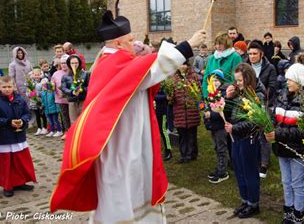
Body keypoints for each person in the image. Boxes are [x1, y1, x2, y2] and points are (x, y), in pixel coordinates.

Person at [50, 11, 206, 222]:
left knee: (121, 182)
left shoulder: (108, 61)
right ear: (118, 43)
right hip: (123, 139)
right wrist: (188, 45)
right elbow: (152, 70)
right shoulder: (116, 63)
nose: (135, 43)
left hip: (119, 135)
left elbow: (145, 73)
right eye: (131, 40)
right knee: (127, 183)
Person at [265, 63, 304, 223]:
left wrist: (277, 133)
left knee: (297, 183)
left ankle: (298, 213)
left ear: (300, 81)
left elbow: (302, 131)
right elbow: (274, 115)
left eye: (291, 80)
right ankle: (288, 209)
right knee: (286, 181)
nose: (287, 82)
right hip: (282, 148)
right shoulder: (282, 96)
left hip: (297, 150)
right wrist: (269, 125)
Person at [225, 63, 265, 219]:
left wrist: (234, 128)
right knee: (239, 169)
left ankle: (254, 204)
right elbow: (228, 112)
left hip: (248, 138)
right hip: (236, 137)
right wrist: (228, 98)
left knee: (249, 172)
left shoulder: (256, 95)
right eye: (236, 80)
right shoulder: (238, 93)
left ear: (248, 78)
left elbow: (255, 121)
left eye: (240, 80)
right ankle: (245, 200)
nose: (238, 83)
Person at [0, 76, 35, 198]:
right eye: (4, 87)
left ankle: (19, 182)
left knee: (19, 160)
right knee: (6, 163)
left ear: (14, 86)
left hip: (18, 136)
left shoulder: (19, 99)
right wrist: (8, 122)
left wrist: (23, 121)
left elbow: (27, 113)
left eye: (9, 86)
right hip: (4, 137)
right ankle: (7, 185)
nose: (7, 89)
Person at [247, 39, 277, 178]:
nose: (252, 56)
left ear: (261, 54)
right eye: (250, 54)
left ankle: (264, 163)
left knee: (265, 135)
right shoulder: (245, 67)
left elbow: (272, 86)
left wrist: (264, 100)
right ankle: (254, 159)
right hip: (248, 104)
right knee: (252, 133)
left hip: (265, 104)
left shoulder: (269, 68)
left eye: (254, 54)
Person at [168, 61, 201, 163]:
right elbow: (170, 96)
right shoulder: (174, 78)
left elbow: (199, 91)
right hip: (179, 110)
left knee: (192, 133)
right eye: (180, 64)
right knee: (182, 134)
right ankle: (184, 154)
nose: (182, 67)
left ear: (188, 65)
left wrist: (195, 97)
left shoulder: (193, 76)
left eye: (184, 64)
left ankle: (192, 153)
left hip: (191, 110)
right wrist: (170, 96)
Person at [204, 69, 230, 183]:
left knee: (221, 148)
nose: (214, 83)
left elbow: (223, 110)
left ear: (221, 81)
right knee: (216, 147)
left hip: (220, 125)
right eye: (212, 80)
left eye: (216, 80)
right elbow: (210, 105)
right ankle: (220, 166)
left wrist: (211, 114)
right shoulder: (211, 93)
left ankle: (223, 171)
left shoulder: (223, 93)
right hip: (213, 125)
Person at [202, 32, 242, 98]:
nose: (218, 46)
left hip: (228, 96)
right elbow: (206, 79)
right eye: (216, 44)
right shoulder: (212, 58)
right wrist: (206, 96)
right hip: (211, 97)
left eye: (221, 44)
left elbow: (236, 79)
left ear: (227, 44)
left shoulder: (235, 57)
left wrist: (226, 95)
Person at [60, 55, 89, 124]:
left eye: (76, 63)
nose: (74, 65)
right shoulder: (65, 76)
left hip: (83, 100)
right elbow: (63, 88)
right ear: (69, 64)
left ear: (79, 63)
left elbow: (90, 86)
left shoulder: (85, 74)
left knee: (84, 121)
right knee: (74, 122)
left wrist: (82, 89)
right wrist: (72, 92)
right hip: (72, 101)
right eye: (72, 63)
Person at [51, 55, 70, 137]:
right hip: (61, 99)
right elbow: (52, 85)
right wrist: (50, 86)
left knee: (72, 116)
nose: (63, 65)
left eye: (65, 63)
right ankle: (67, 131)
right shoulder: (56, 73)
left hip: (72, 99)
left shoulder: (72, 72)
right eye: (62, 63)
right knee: (64, 116)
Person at [28, 68, 48, 136]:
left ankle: (45, 127)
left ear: (41, 74)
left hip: (41, 100)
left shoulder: (43, 81)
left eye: (38, 75)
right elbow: (28, 90)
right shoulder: (31, 82)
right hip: (34, 101)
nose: (37, 76)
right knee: (37, 115)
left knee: (42, 114)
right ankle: (39, 128)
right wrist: (29, 94)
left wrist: (38, 94)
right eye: (35, 75)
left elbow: (44, 90)